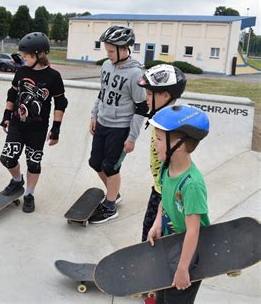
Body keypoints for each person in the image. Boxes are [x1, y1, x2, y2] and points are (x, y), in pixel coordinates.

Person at [147, 104, 210, 304]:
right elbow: (164, 199)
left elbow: (193, 231)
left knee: (176, 299)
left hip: (191, 256)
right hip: (171, 245)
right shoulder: (167, 169)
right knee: (162, 295)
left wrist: (183, 269)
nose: (155, 145)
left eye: (158, 140)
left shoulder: (191, 185)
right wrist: (158, 222)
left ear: (180, 145)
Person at [0, 32, 68, 213]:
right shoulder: (21, 71)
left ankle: (29, 194)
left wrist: (56, 130)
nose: (23, 58)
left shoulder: (53, 76)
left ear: (39, 55)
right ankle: (16, 181)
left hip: (38, 129)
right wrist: (6, 116)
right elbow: (12, 95)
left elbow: (60, 104)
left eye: (26, 55)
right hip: (17, 124)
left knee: (33, 163)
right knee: (7, 158)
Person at [88, 25, 146, 224]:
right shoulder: (106, 66)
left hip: (121, 128)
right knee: (95, 162)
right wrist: (94, 115)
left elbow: (141, 108)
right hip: (103, 122)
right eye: (107, 51)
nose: (108, 54)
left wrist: (132, 137)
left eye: (111, 51)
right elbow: (102, 93)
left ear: (125, 49)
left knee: (110, 166)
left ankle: (110, 206)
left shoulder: (136, 74)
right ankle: (115, 193)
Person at [137, 64, 187, 241]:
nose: (146, 98)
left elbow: (177, 165)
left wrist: (166, 204)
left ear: (165, 96)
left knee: (161, 239)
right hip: (158, 189)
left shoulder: (172, 126)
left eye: (150, 94)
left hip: (170, 194)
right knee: (148, 236)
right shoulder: (159, 117)